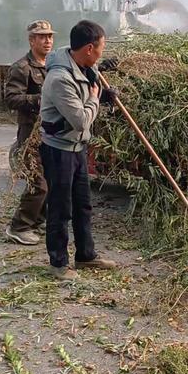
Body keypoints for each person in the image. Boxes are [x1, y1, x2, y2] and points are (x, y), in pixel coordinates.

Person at [40, 20, 117, 280]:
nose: (100, 54)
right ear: (87, 48)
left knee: (83, 205)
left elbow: (91, 71)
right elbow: (81, 120)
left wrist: (99, 73)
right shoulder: (60, 79)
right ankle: (58, 263)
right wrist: (96, 99)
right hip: (59, 149)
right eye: (100, 49)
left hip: (78, 146)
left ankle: (85, 256)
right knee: (61, 208)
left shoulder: (81, 63)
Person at [4, 20, 55, 245]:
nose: (47, 41)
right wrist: (38, 99)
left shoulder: (53, 64)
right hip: (30, 133)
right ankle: (19, 226)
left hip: (49, 131)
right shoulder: (22, 67)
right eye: (42, 36)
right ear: (31, 40)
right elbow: (11, 99)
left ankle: (36, 221)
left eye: (50, 36)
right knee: (38, 183)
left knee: (51, 180)